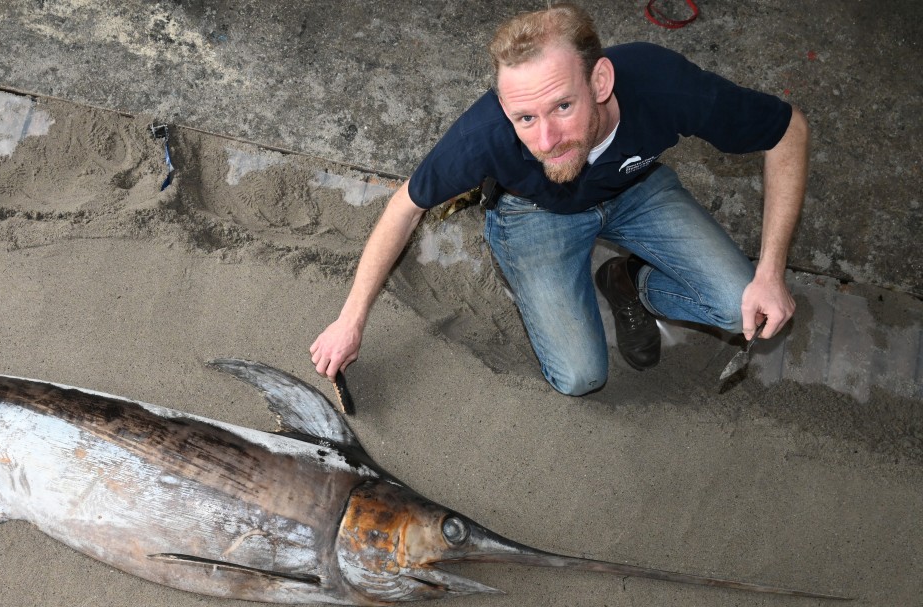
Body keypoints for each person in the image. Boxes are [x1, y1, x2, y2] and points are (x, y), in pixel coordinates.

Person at [309, 3, 808, 396]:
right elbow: (405, 205)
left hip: (633, 189)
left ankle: (630, 282)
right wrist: (349, 321)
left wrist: (770, 272)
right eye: (525, 117)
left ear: (601, 81)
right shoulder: (485, 134)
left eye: (563, 106)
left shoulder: (664, 85)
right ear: (504, 107)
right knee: (580, 378)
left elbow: (787, 131)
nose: (545, 140)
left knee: (742, 306)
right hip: (536, 213)